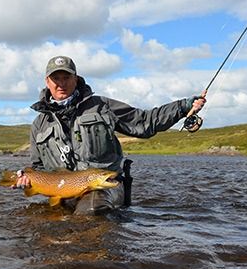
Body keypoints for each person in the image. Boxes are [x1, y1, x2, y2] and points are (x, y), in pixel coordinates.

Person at [14, 55, 206, 215]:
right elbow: (39, 167)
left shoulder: (102, 107)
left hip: (102, 187)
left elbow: (144, 122)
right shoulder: (38, 125)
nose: (61, 84)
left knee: (91, 211)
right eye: (56, 79)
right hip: (64, 191)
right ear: (47, 82)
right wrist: (26, 178)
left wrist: (182, 107)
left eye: (66, 77)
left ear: (76, 79)